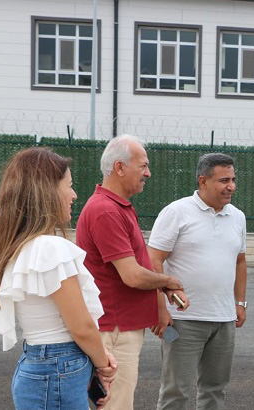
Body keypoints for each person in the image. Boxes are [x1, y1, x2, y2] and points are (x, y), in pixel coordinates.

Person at [0, 147, 117, 409]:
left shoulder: (19, 247)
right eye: (69, 186)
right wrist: (104, 364)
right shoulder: (50, 248)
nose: (74, 195)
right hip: (59, 367)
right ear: (47, 192)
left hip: (41, 363)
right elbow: (81, 327)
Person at [76, 134, 183, 410]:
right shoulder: (106, 211)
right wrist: (169, 281)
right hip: (114, 329)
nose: (148, 173)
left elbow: (140, 264)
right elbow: (133, 275)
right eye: (143, 165)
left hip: (118, 326)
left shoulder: (116, 206)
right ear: (120, 167)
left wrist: (159, 302)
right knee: (116, 405)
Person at [147, 153, 247, 410]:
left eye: (233, 180)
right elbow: (153, 260)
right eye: (224, 180)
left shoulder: (237, 217)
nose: (231, 186)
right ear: (203, 181)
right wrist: (160, 307)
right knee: (176, 392)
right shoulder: (176, 212)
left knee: (215, 390)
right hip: (183, 320)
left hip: (224, 320)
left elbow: (240, 261)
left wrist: (240, 303)